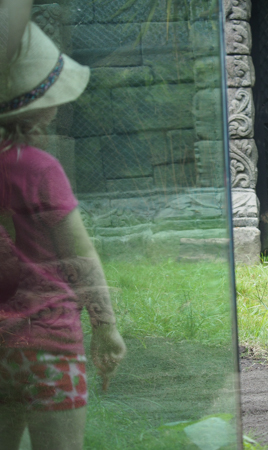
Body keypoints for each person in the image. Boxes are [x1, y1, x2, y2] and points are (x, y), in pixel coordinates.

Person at [0, 19, 127, 450]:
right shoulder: (39, 168)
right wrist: (106, 327)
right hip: (50, 344)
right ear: (34, 105)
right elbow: (79, 256)